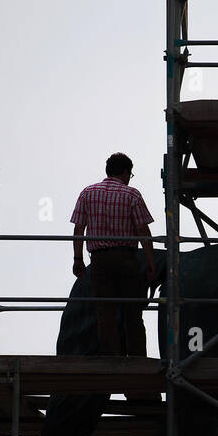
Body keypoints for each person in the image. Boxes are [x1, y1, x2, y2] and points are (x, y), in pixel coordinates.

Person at [70, 152, 157, 356]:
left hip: (99, 261)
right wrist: (152, 263)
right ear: (126, 172)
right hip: (127, 259)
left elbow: (78, 229)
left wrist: (77, 259)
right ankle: (137, 358)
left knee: (105, 315)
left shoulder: (87, 193)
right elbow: (143, 231)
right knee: (133, 313)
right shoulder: (132, 194)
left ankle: (111, 359)